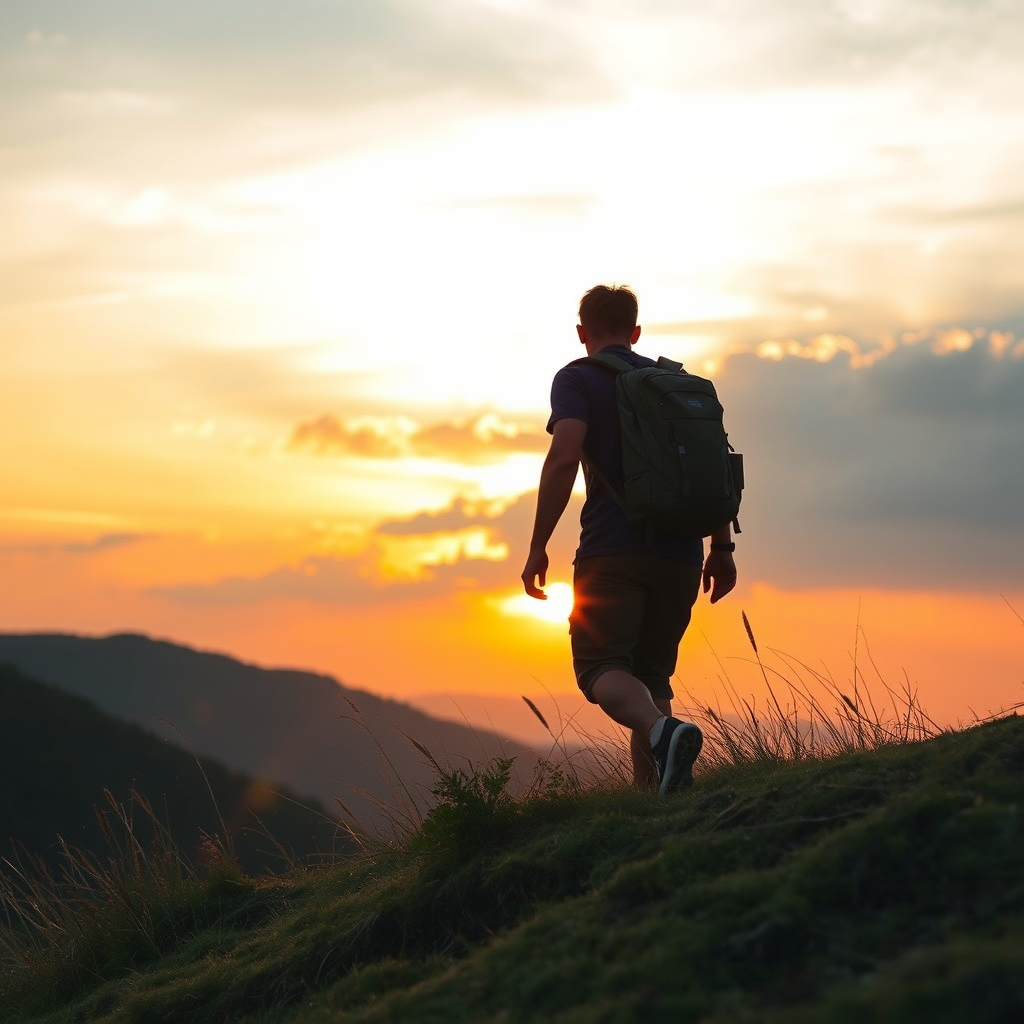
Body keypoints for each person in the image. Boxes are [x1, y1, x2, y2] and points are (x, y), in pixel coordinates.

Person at [520, 284, 738, 793]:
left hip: (612, 550)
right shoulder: (673, 384)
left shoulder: (577, 379)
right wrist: (721, 547)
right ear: (636, 332)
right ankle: (653, 797)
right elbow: (711, 470)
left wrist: (538, 543)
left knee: (601, 666)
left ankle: (664, 732)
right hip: (683, 553)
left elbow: (565, 454)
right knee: (653, 676)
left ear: (582, 334)